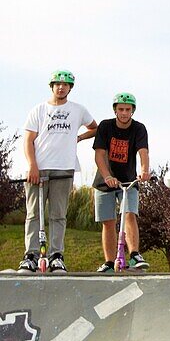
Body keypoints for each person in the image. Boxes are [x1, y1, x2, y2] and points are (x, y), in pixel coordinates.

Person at [18, 70, 98, 274]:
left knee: (58, 215)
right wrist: (32, 166)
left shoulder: (78, 110)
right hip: (39, 168)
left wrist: (79, 138)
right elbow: (28, 140)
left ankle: (56, 255)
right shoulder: (39, 110)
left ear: (70, 88)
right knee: (34, 214)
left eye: (66, 84)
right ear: (52, 86)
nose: (61, 87)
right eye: (57, 84)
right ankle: (31, 256)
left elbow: (95, 128)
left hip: (64, 168)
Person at [92, 92, 151, 273]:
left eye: (128, 109)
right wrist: (107, 176)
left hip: (128, 182)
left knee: (129, 214)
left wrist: (144, 171)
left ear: (133, 111)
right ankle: (109, 262)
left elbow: (143, 152)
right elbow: (99, 155)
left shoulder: (139, 128)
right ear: (115, 110)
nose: (124, 113)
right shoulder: (105, 126)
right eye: (121, 109)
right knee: (108, 222)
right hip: (105, 182)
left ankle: (134, 255)